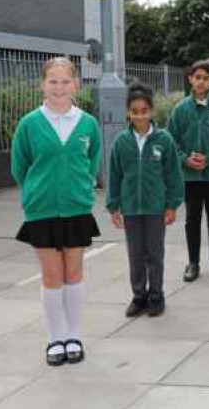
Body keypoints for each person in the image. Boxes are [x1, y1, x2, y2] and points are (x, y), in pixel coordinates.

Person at [11, 57, 101, 367]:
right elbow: (20, 166)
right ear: (42, 84)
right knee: (52, 275)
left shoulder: (88, 123)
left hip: (76, 208)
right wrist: (36, 192)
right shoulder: (29, 124)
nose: (59, 88)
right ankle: (55, 338)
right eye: (53, 82)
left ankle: (74, 335)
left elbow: (92, 161)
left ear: (75, 85)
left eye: (65, 82)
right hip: (42, 211)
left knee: (74, 273)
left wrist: (80, 189)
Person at [106, 82, 184, 317]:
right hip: (130, 209)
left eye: (144, 111)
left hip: (155, 209)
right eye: (135, 111)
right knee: (135, 254)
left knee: (154, 254)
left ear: (151, 111)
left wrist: (172, 204)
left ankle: (156, 296)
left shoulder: (164, 140)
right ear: (128, 113)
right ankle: (139, 296)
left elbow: (173, 175)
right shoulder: (121, 142)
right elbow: (115, 175)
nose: (140, 116)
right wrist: (114, 206)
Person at [168, 60, 209, 281]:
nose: (201, 81)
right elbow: (171, 141)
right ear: (190, 80)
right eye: (197, 77)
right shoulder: (180, 110)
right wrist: (185, 159)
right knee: (192, 220)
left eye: (205, 78)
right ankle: (193, 263)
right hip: (190, 177)